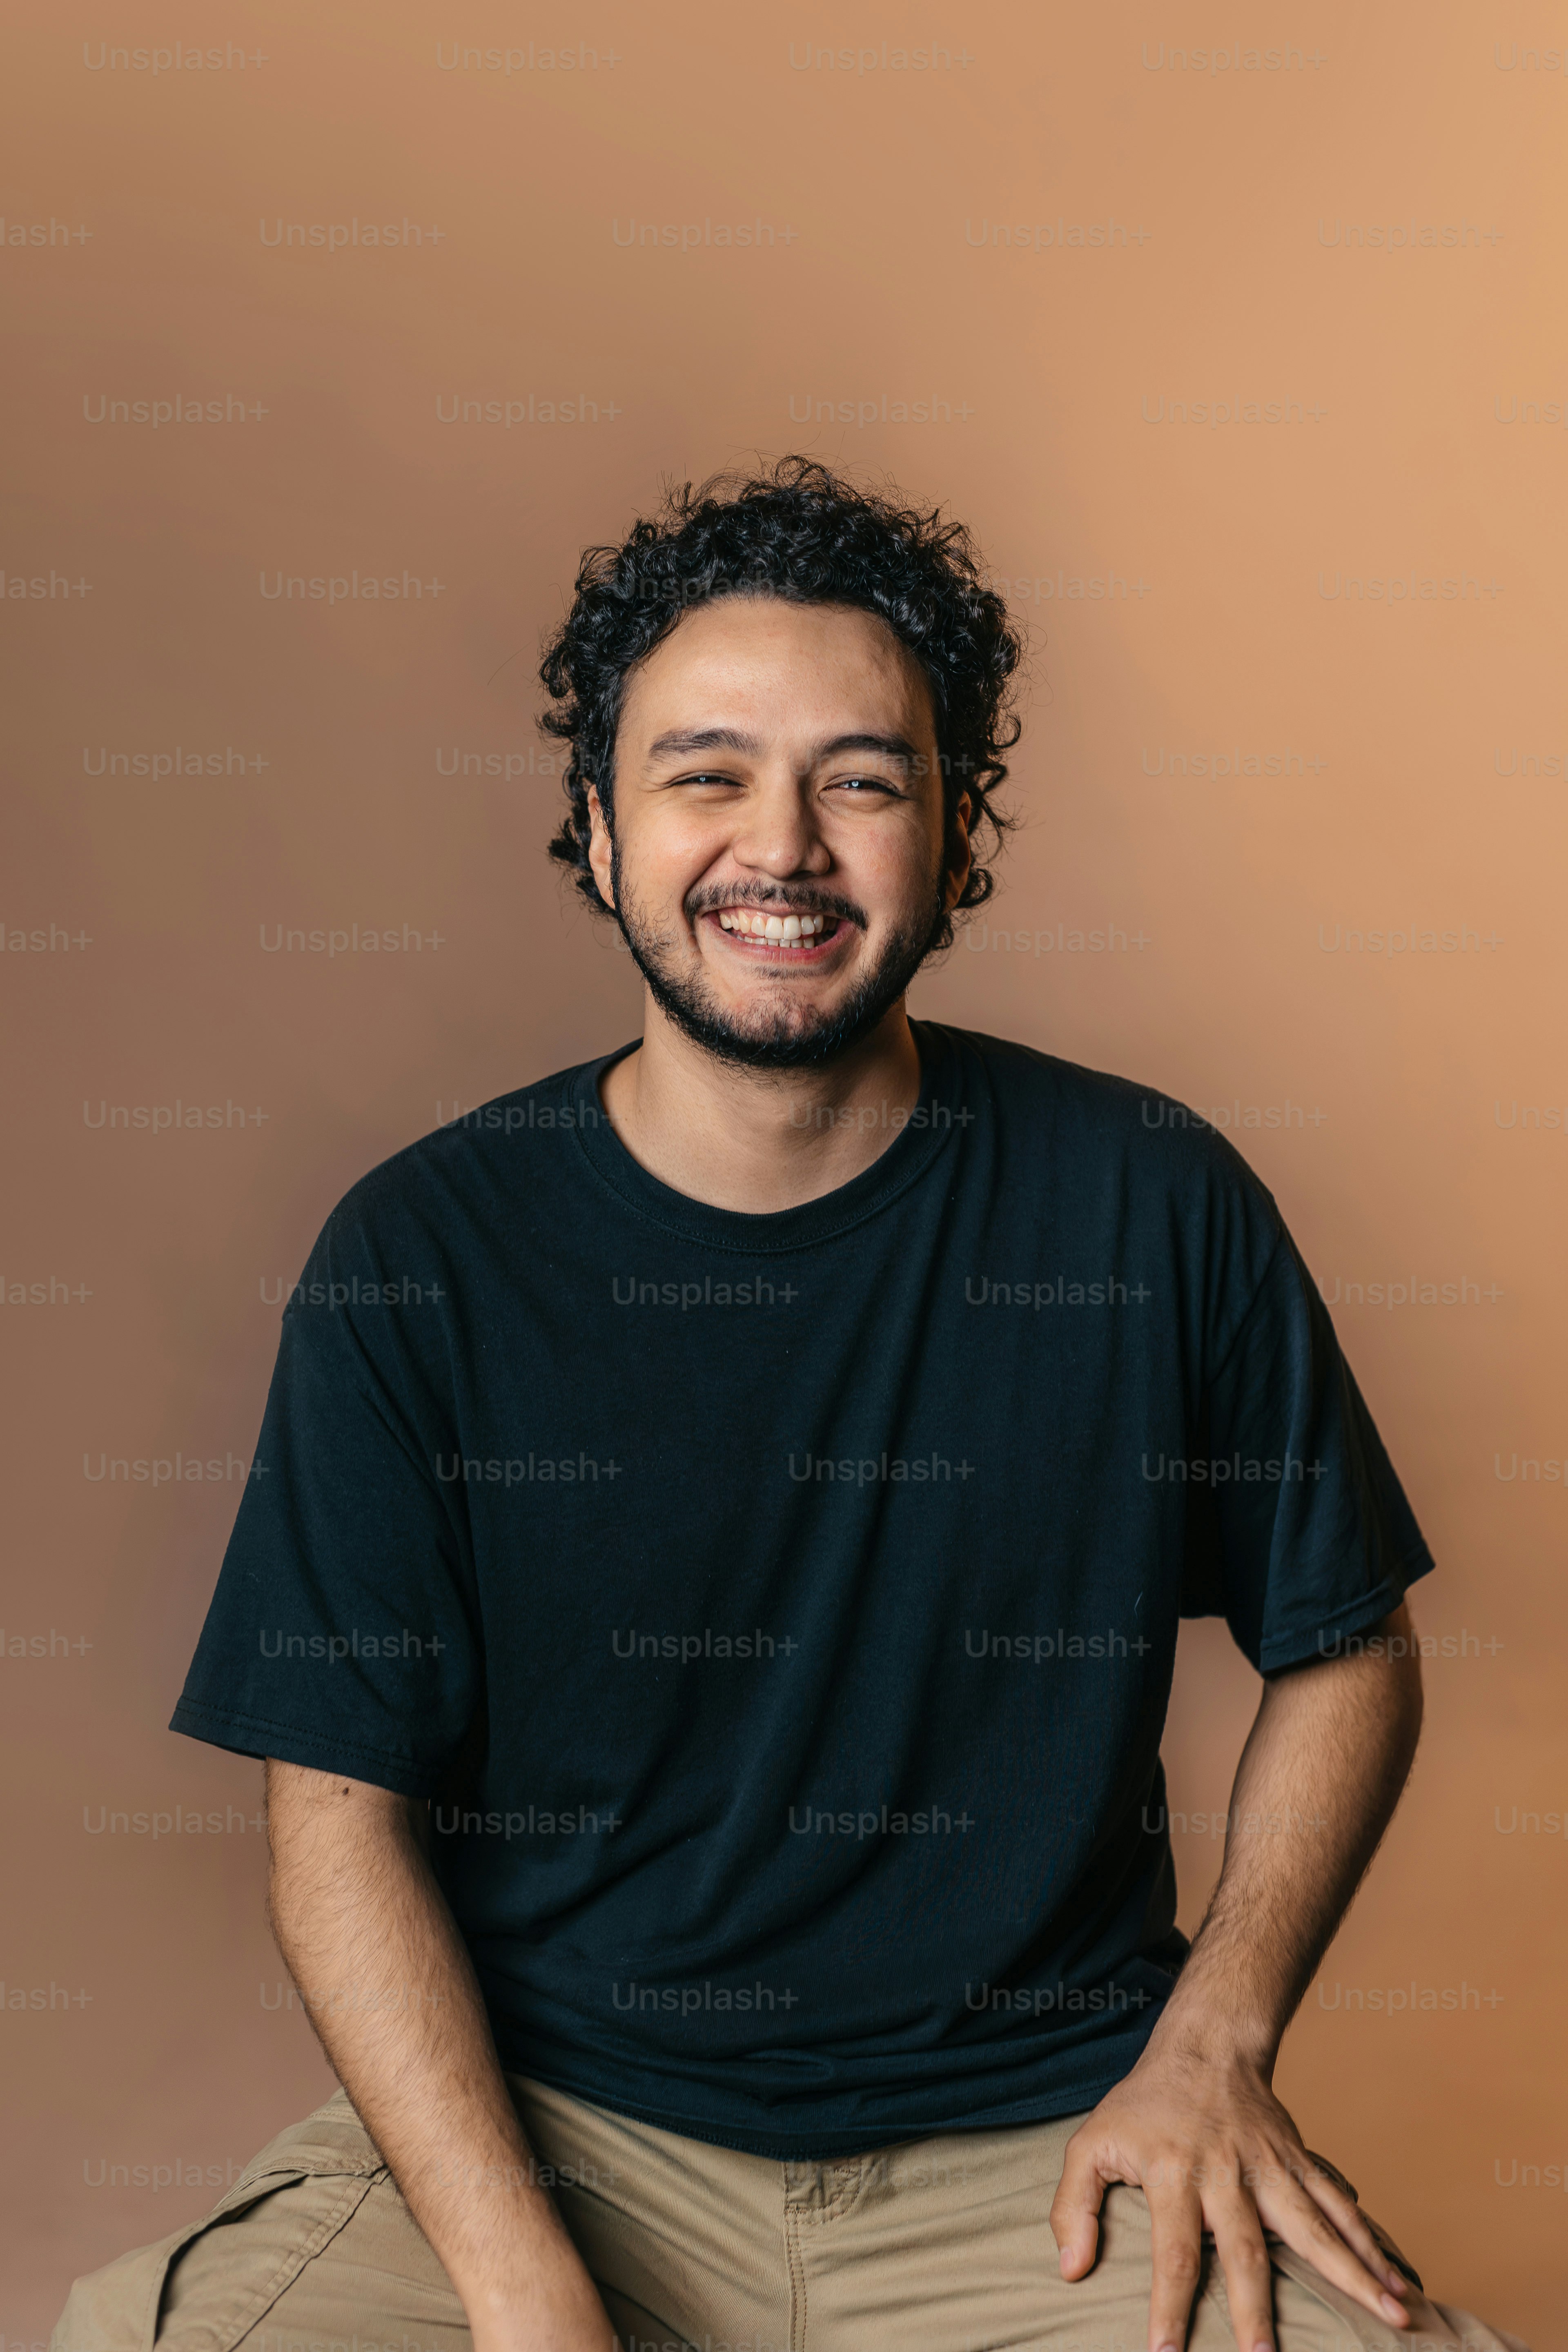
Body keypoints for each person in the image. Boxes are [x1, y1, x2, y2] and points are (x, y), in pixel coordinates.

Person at [54, 461, 1526, 2352]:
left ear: (956, 831)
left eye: (863, 776)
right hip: (550, 2137)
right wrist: (522, 2291)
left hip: (1049, 2149)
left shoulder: (1149, 1201)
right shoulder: (420, 1249)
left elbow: (1352, 1649)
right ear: (596, 830)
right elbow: (336, 1814)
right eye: (704, 773)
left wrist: (1213, 2046)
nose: (785, 846)